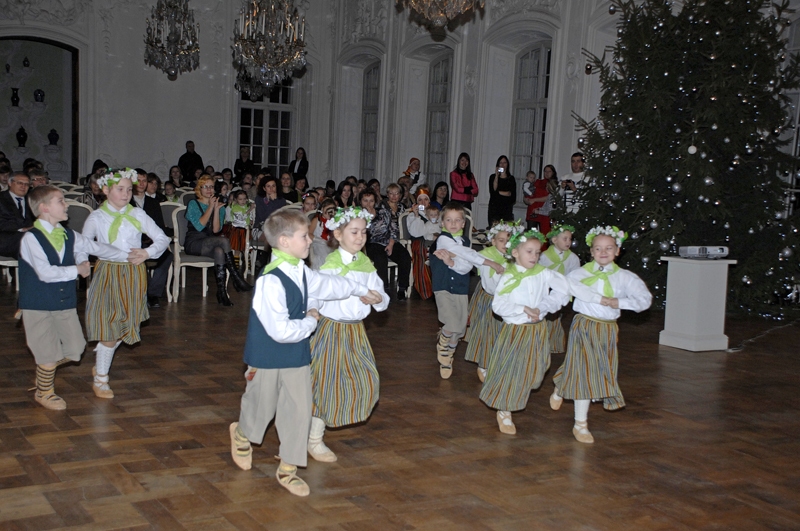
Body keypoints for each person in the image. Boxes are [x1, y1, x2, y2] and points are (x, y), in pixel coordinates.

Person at [228, 208, 379, 497]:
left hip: (297, 353)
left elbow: (328, 284)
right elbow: (280, 330)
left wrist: (359, 289)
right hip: (268, 355)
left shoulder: (300, 269)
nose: (311, 240)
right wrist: (311, 320)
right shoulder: (270, 280)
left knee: (299, 409)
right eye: (304, 236)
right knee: (262, 405)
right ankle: (242, 432)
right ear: (284, 241)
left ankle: (289, 468)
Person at [18, 185, 133, 410]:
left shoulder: (68, 235)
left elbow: (97, 247)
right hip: (38, 305)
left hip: (64, 303)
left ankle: (44, 371)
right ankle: (45, 391)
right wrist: (77, 270)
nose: (67, 204)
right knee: (47, 352)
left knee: (76, 349)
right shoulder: (31, 238)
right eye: (61, 201)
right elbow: (45, 272)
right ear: (44, 208)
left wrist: (129, 255)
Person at [550, 226, 652, 443]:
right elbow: (561, 291)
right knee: (586, 372)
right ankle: (581, 424)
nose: (603, 252)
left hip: (606, 329)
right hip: (584, 326)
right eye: (598, 248)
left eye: (608, 248)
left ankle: (561, 384)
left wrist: (619, 302)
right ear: (591, 251)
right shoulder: (579, 274)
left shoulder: (625, 278)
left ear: (617, 251)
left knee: (594, 369)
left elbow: (644, 301)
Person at [307, 206, 388, 463]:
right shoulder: (330, 265)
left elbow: (382, 298)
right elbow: (316, 293)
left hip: (355, 332)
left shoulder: (366, 265)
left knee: (368, 379)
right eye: (354, 232)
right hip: (332, 330)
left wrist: (378, 299)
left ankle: (317, 430)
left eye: (364, 232)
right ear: (338, 234)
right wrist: (312, 310)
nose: (360, 237)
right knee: (326, 384)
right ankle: (313, 439)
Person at [82, 169, 170, 398]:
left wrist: (147, 252)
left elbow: (162, 238)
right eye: (120, 189)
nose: (126, 193)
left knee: (127, 324)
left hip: (133, 272)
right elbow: (83, 244)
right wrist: (83, 261)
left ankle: (102, 354)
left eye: (129, 189)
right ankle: (101, 379)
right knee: (110, 324)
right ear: (105, 190)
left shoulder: (138, 214)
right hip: (109, 273)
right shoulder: (97, 217)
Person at [479, 229, 570, 434]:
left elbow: (564, 289)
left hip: (537, 331)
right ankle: (504, 411)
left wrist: (544, 306)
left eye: (537, 252)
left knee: (537, 375)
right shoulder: (508, 276)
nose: (534, 256)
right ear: (515, 253)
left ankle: (519, 389)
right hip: (515, 332)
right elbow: (499, 306)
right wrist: (522, 309)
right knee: (511, 371)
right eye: (529, 251)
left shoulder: (542, 273)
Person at [429, 202, 503, 379]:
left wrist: (452, 262)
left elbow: (466, 265)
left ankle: (450, 352)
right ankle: (443, 348)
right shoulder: (443, 240)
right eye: (448, 220)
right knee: (452, 324)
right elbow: (467, 255)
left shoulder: (466, 242)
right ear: (442, 223)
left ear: (463, 223)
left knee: (460, 330)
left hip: (461, 288)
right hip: (443, 287)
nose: (453, 224)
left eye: (457, 220)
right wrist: (490, 262)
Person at [464, 220, 522, 383]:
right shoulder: (485, 256)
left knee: (502, 333)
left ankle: (500, 362)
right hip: (490, 299)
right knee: (488, 332)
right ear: (493, 241)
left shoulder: (515, 256)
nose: (506, 244)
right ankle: (484, 364)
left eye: (509, 240)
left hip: (507, 301)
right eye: (501, 240)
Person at [185, 174, 253, 306]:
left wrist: (216, 209)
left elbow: (216, 230)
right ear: (199, 189)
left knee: (219, 251)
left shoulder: (219, 205)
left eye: (211, 187)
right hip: (194, 242)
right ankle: (236, 278)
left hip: (209, 241)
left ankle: (221, 293)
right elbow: (199, 226)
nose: (209, 190)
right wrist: (210, 207)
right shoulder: (193, 204)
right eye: (205, 187)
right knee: (223, 241)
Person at [131, 169, 173, 308]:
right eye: (139, 180)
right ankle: (142, 293)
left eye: (145, 180)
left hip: (150, 241)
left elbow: (159, 225)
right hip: (132, 243)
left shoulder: (153, 202)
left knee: (167, 256)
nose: (142, 184)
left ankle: (153, 294)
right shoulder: (127, 202)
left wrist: (161, 241)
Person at [361, 189, 412, 301]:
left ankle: (402, 289)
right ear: (361, 201)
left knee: (405, 256)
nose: (368, 204)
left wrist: (391, 243)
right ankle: (384, 289)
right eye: (365, 201)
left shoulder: (383, 212)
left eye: (371, 201)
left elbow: (393, 229)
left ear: (375, 202)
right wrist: (367, 217)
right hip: (371, 243)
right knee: (380, 258)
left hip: (388, 241)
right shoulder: (358, 214)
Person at [538, 224, 581, 354]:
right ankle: (541, 341)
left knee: (555, 316)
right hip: (546, 290)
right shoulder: (544, 256)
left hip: (561, 291)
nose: (568, 242)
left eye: (570, 239)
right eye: (565, 239)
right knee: (545, 315)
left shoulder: (573, 258)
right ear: (555, 240)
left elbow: (575, 275)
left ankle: (553, 342)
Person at [406, 188, 439, 300]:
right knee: (422, 251)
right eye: (420, 200)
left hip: (434, 241)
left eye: (425, 199)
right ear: (416, 202)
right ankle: (426, 290)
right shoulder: (411, 215)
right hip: (418, 241)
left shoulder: (434, 213)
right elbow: (416, 233)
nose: (423, 202)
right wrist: (416, 216)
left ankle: (440, 288)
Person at [0, 172, 34, 258]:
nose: (23, 186)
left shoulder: (32, 200)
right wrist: (22, 229)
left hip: (30, 237)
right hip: (6, 237)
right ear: (10, 183)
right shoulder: (1, 199)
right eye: (20, 183)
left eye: (27, 184)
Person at [224, 189, 254, 268]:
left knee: (246, 249)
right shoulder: (235, 208)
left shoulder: (247, 205)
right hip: (237, 230)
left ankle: (248, 266)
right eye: (240, 199)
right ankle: (235, 266)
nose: (243, 201)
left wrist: (251, 219)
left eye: (244, 199)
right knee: (237, 248)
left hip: (245, 230)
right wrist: (250, 209)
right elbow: (242, 217)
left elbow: (249, 216)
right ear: (236, 200)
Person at [253, 176, 288, 242]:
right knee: (270, 234)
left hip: (277, 229)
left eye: (273, 186)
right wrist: (272, 202)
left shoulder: (281, 201)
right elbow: (264, 217)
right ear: (264, 188)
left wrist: (275, 201)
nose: (271, 188)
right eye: (268, 186)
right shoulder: (259, 199)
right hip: (260, 228)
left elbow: (280, 217)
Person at [525, 166, 559, 233]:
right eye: (545, 171)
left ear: (553, 172)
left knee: (545, 234)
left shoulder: (554, 184)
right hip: (533, 210)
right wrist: (526, 200)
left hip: (545, 211)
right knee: (531, 234)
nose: (547, 173)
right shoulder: (538, 181)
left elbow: (550, 197)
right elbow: (527, 193)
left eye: (549, 171)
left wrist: (535, 199)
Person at [487, 155, 516, 226]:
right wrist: (497, 176)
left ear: (507, 164)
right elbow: (493, 193)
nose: (502, 165)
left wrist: (498, 192)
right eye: (501, 163)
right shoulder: (492, 177)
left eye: (504, 162)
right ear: (498, 164)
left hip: (506, 210)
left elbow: (512, 197)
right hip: (494, 210)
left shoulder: (511, 179)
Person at [308, 198, 336, 270]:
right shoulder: (317, 220)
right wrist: (321, 241)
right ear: (323, 209)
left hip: (332, 244)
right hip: (318, 243)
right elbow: (309, 234)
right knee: (325, 255)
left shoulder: (335, 221)